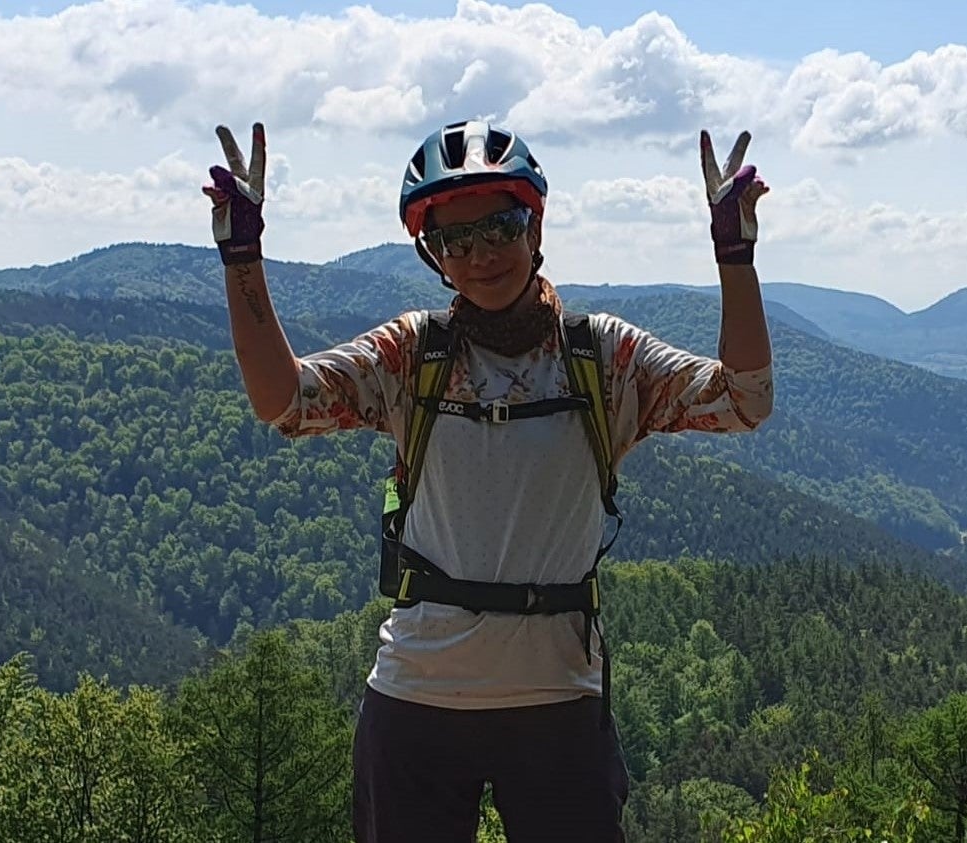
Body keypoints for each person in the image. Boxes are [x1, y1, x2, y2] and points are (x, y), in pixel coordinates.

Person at [202, 119, 773, 843]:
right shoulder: (412, 353)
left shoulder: (604, 357)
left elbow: (742, 401)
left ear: (533, 225)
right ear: (432, 254)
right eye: (453, 241)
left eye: (499, 227)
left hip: (558, 698)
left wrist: (734, 256)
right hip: (417, 697)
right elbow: (282, 399)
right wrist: (242, 258)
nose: (480, 255)